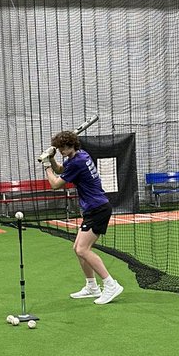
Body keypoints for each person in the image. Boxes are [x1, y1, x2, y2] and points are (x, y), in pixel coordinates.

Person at [40, 130, 123, 305]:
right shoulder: (80, 156)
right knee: (77, 248)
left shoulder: (77, 162)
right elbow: (62, 170)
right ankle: (92, 287)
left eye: (64, 147)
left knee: (82, 250)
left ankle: (111, 284)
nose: (62, 150)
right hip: (93, 208)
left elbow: (55, 184)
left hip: (97, 209)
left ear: (72, 145)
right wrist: (53, 159)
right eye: (60, 148)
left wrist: (46, 165)